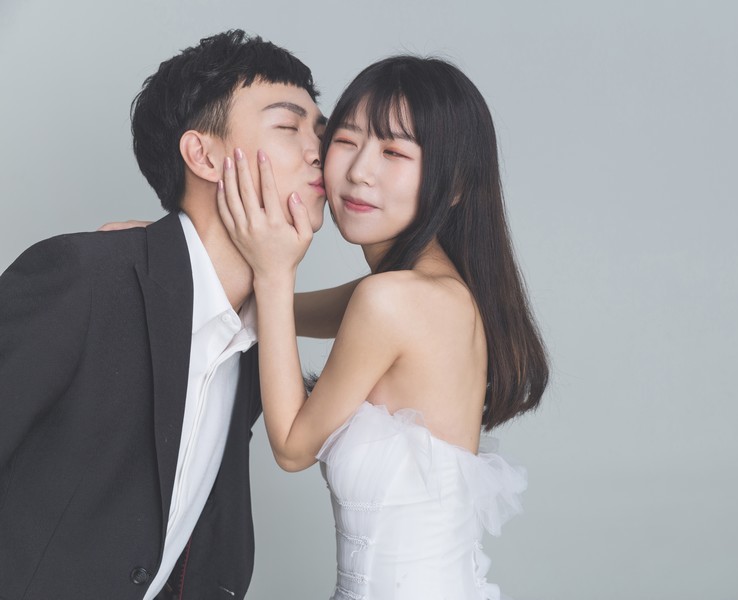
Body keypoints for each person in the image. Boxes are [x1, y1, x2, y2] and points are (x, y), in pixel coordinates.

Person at [0, 30, 327, 599]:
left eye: (319, 132)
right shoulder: (83, 278)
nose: (318, 150)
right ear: (203, 155)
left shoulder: (256, 347)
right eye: (288, 126)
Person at [218, 56, 549, 599]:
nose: (359, 171)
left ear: (455, 184)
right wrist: (175, 255)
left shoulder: (393, 301)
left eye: (394, 152)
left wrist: (275, 270)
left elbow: (293, 448)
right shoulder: (425, 290)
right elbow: (267, 312)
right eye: (346, 141)